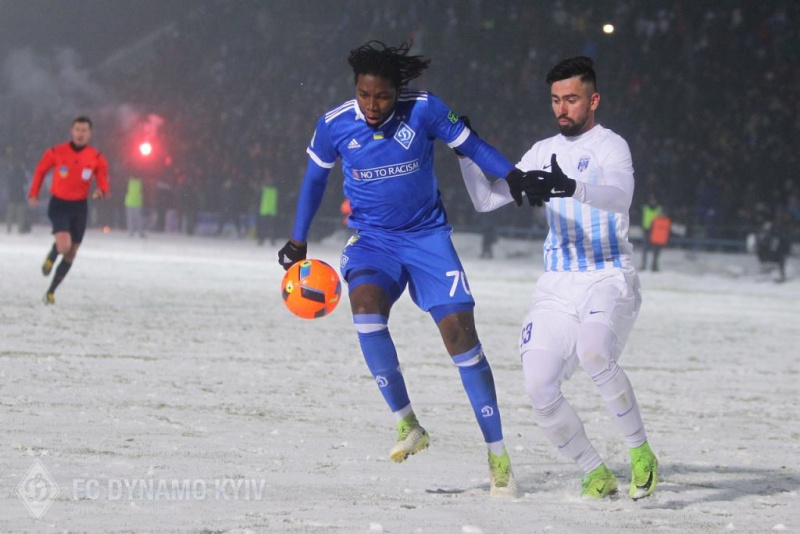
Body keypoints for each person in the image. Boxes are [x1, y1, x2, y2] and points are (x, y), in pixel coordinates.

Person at [277, 41, 540, 496]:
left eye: (381, 96)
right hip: (373, 241)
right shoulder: (334, 125)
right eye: (364, 95)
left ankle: (498, 456)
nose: (372, 105)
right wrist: (298, 240)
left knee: (461, 338)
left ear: (397, 91)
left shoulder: (424, 109)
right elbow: (315, 180)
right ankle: (407, 424)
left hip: (427, 238)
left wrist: (512, 176)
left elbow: (472, 145)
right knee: (364, 308)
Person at [457, 56, 658, 500]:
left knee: (593, 352)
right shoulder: (540, 151)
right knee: (539, 386)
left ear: (593, 100)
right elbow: (485, 201)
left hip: (608, 275)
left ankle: (641, 453)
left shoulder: (611, 146)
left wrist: (572, 187)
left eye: (571, 99)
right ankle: (594, 472)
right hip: (557, 284)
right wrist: (465, 154)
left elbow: (621, 198)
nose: (562, 109)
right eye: (555, 100)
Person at [28, 116, 109, 305]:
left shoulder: (96, 157)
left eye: (84, 130)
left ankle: (50, 292)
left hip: (80, 207)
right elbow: (40, 170)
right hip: (59, 204)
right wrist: (34, 193)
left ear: (90, 133)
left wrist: (101, 191)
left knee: (71, 253)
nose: (80, 134)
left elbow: (103, 180)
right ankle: (52, 255)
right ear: (71, 131)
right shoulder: (56, 152)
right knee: (64, 246)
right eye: (77, 130)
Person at [641, 193, 663, 271]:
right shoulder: (645, 208)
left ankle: (654, 266)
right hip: (646, 230)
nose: (653, 202)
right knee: (645, 249)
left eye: (654, 200)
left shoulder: (659, 209)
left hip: (656, 231)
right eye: (651, 200)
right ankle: (644, 265)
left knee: (656, 250)